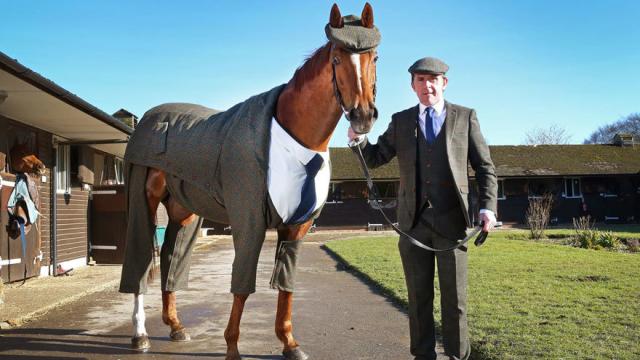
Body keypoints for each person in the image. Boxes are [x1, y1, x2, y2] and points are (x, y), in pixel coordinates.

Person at [348, 57, 498, 360]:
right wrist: (358, 141)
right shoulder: (401, 120)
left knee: (455, 301)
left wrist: (488, 208)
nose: (427, 85)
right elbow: (376, 157)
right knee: (418, 298)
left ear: (444, 83)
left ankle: (457, 355)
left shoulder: (466, 117)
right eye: (420, 79)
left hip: (453, 222)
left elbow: (485, 168)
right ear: (412, 85)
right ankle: (423, 356)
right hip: (412, 223)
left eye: (433, 79)